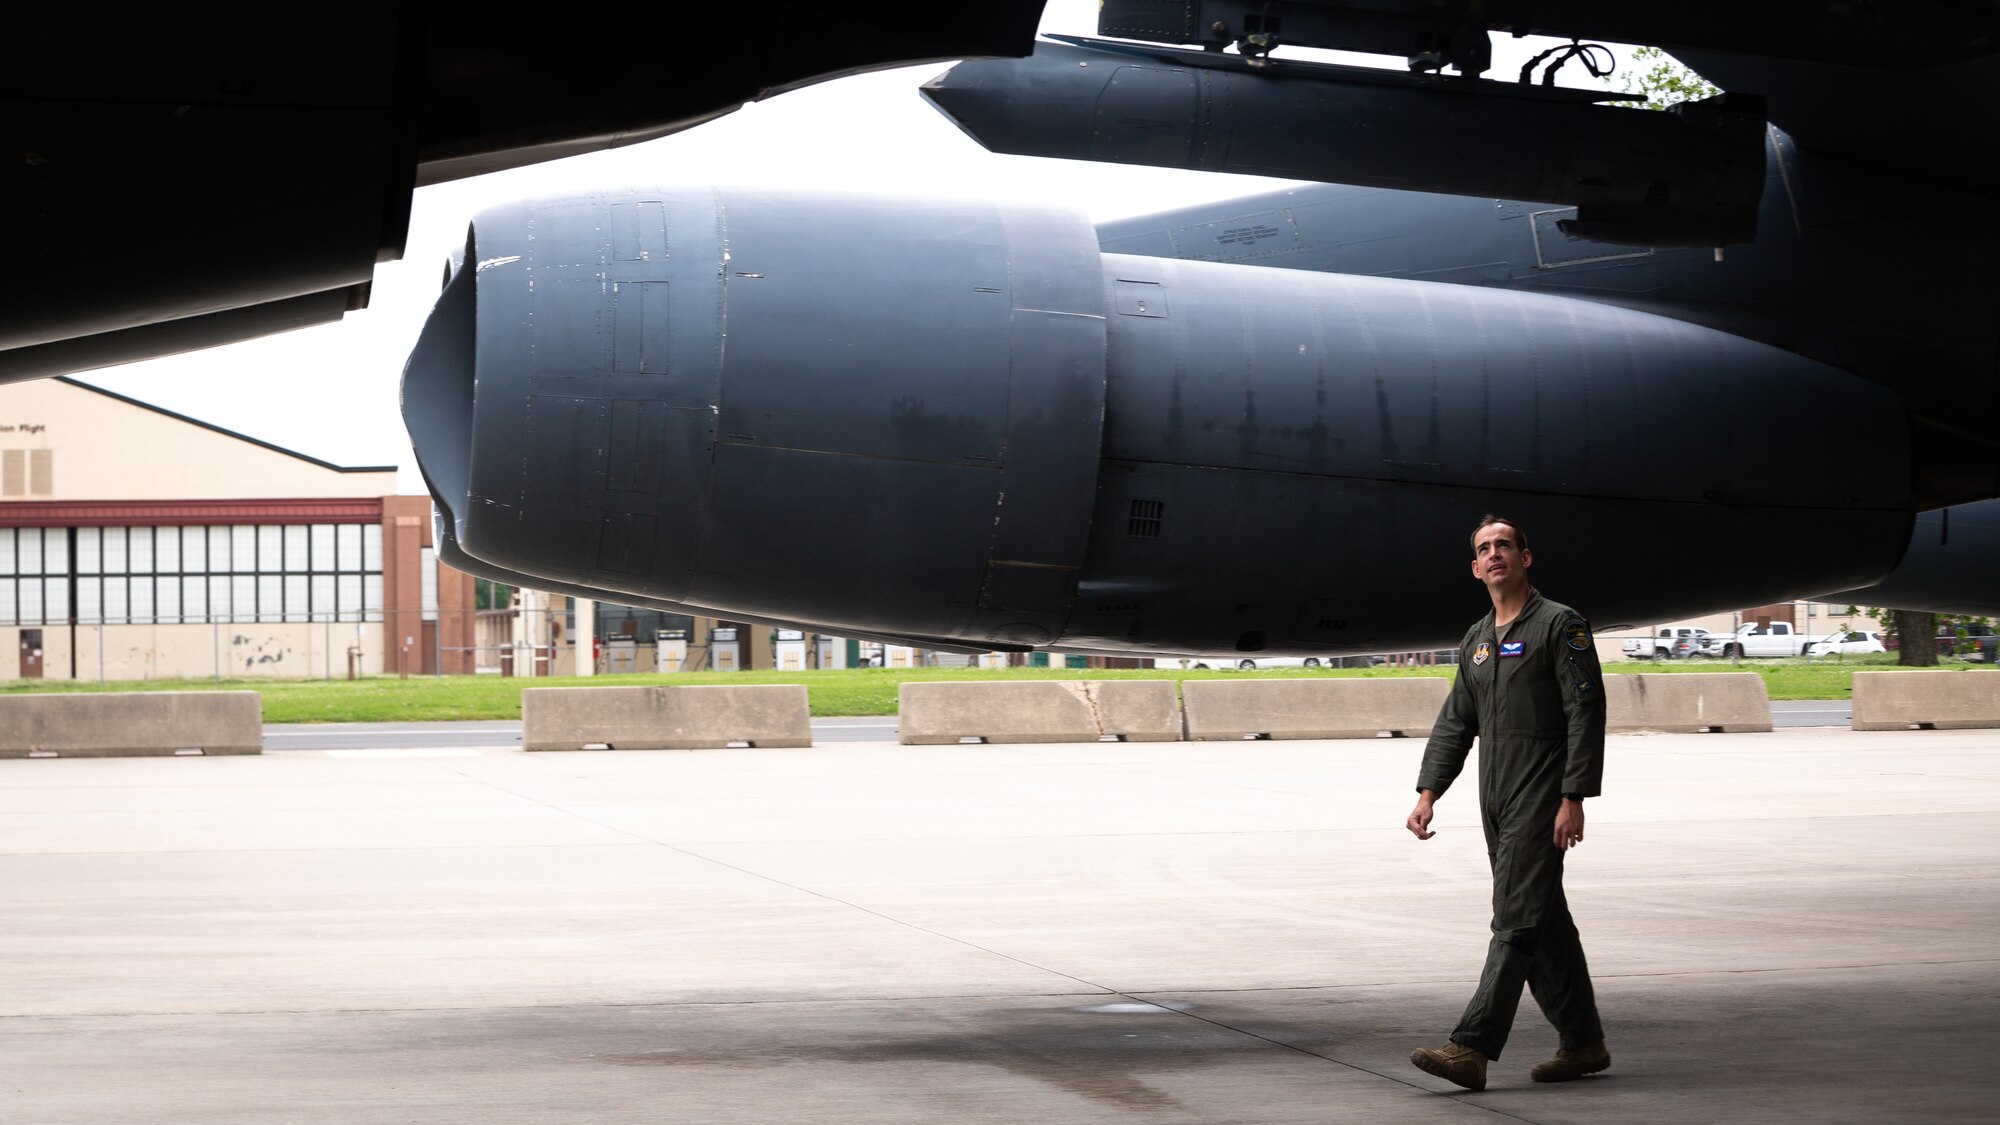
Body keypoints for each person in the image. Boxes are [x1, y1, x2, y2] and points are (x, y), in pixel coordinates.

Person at [1405, 515, 1610, 1091]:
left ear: (1526, 557)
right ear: (1475, 568)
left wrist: (1574, 796)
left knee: (1516, 919)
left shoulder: (1559, 625)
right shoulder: (1476, 641)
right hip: (1494, 797)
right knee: (1545, 922)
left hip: (1542, 796)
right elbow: (1455, 724)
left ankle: (1471, 1047)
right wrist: (1428, 793)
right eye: (1484, 549)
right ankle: (1583, 1042)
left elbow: (1585, 711)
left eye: (1504, 545)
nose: (1495, 554)